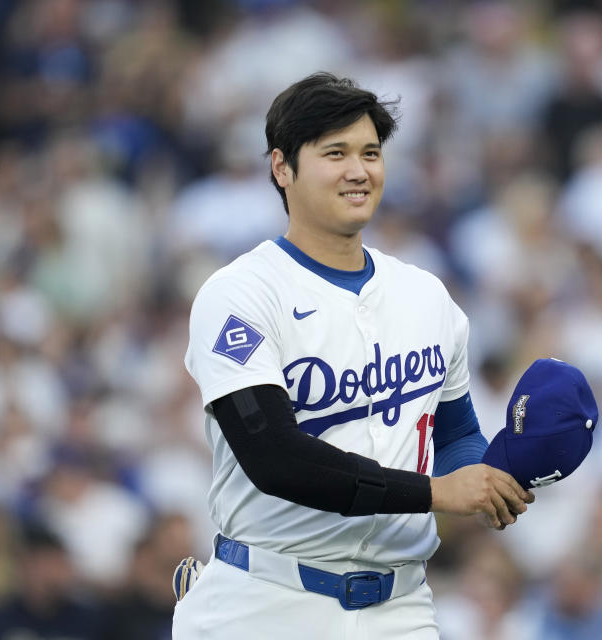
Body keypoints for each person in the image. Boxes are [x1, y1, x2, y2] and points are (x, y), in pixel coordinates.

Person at [171, 72, 534, 639]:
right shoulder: (240, 293)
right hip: (266, 601)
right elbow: (275, 458)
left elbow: (456, 433)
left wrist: (490, 478)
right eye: (334, 152)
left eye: (371, 152)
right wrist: (439, 493)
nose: (359, 170)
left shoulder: (426, 295)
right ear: (281, 167)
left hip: (400, 606)